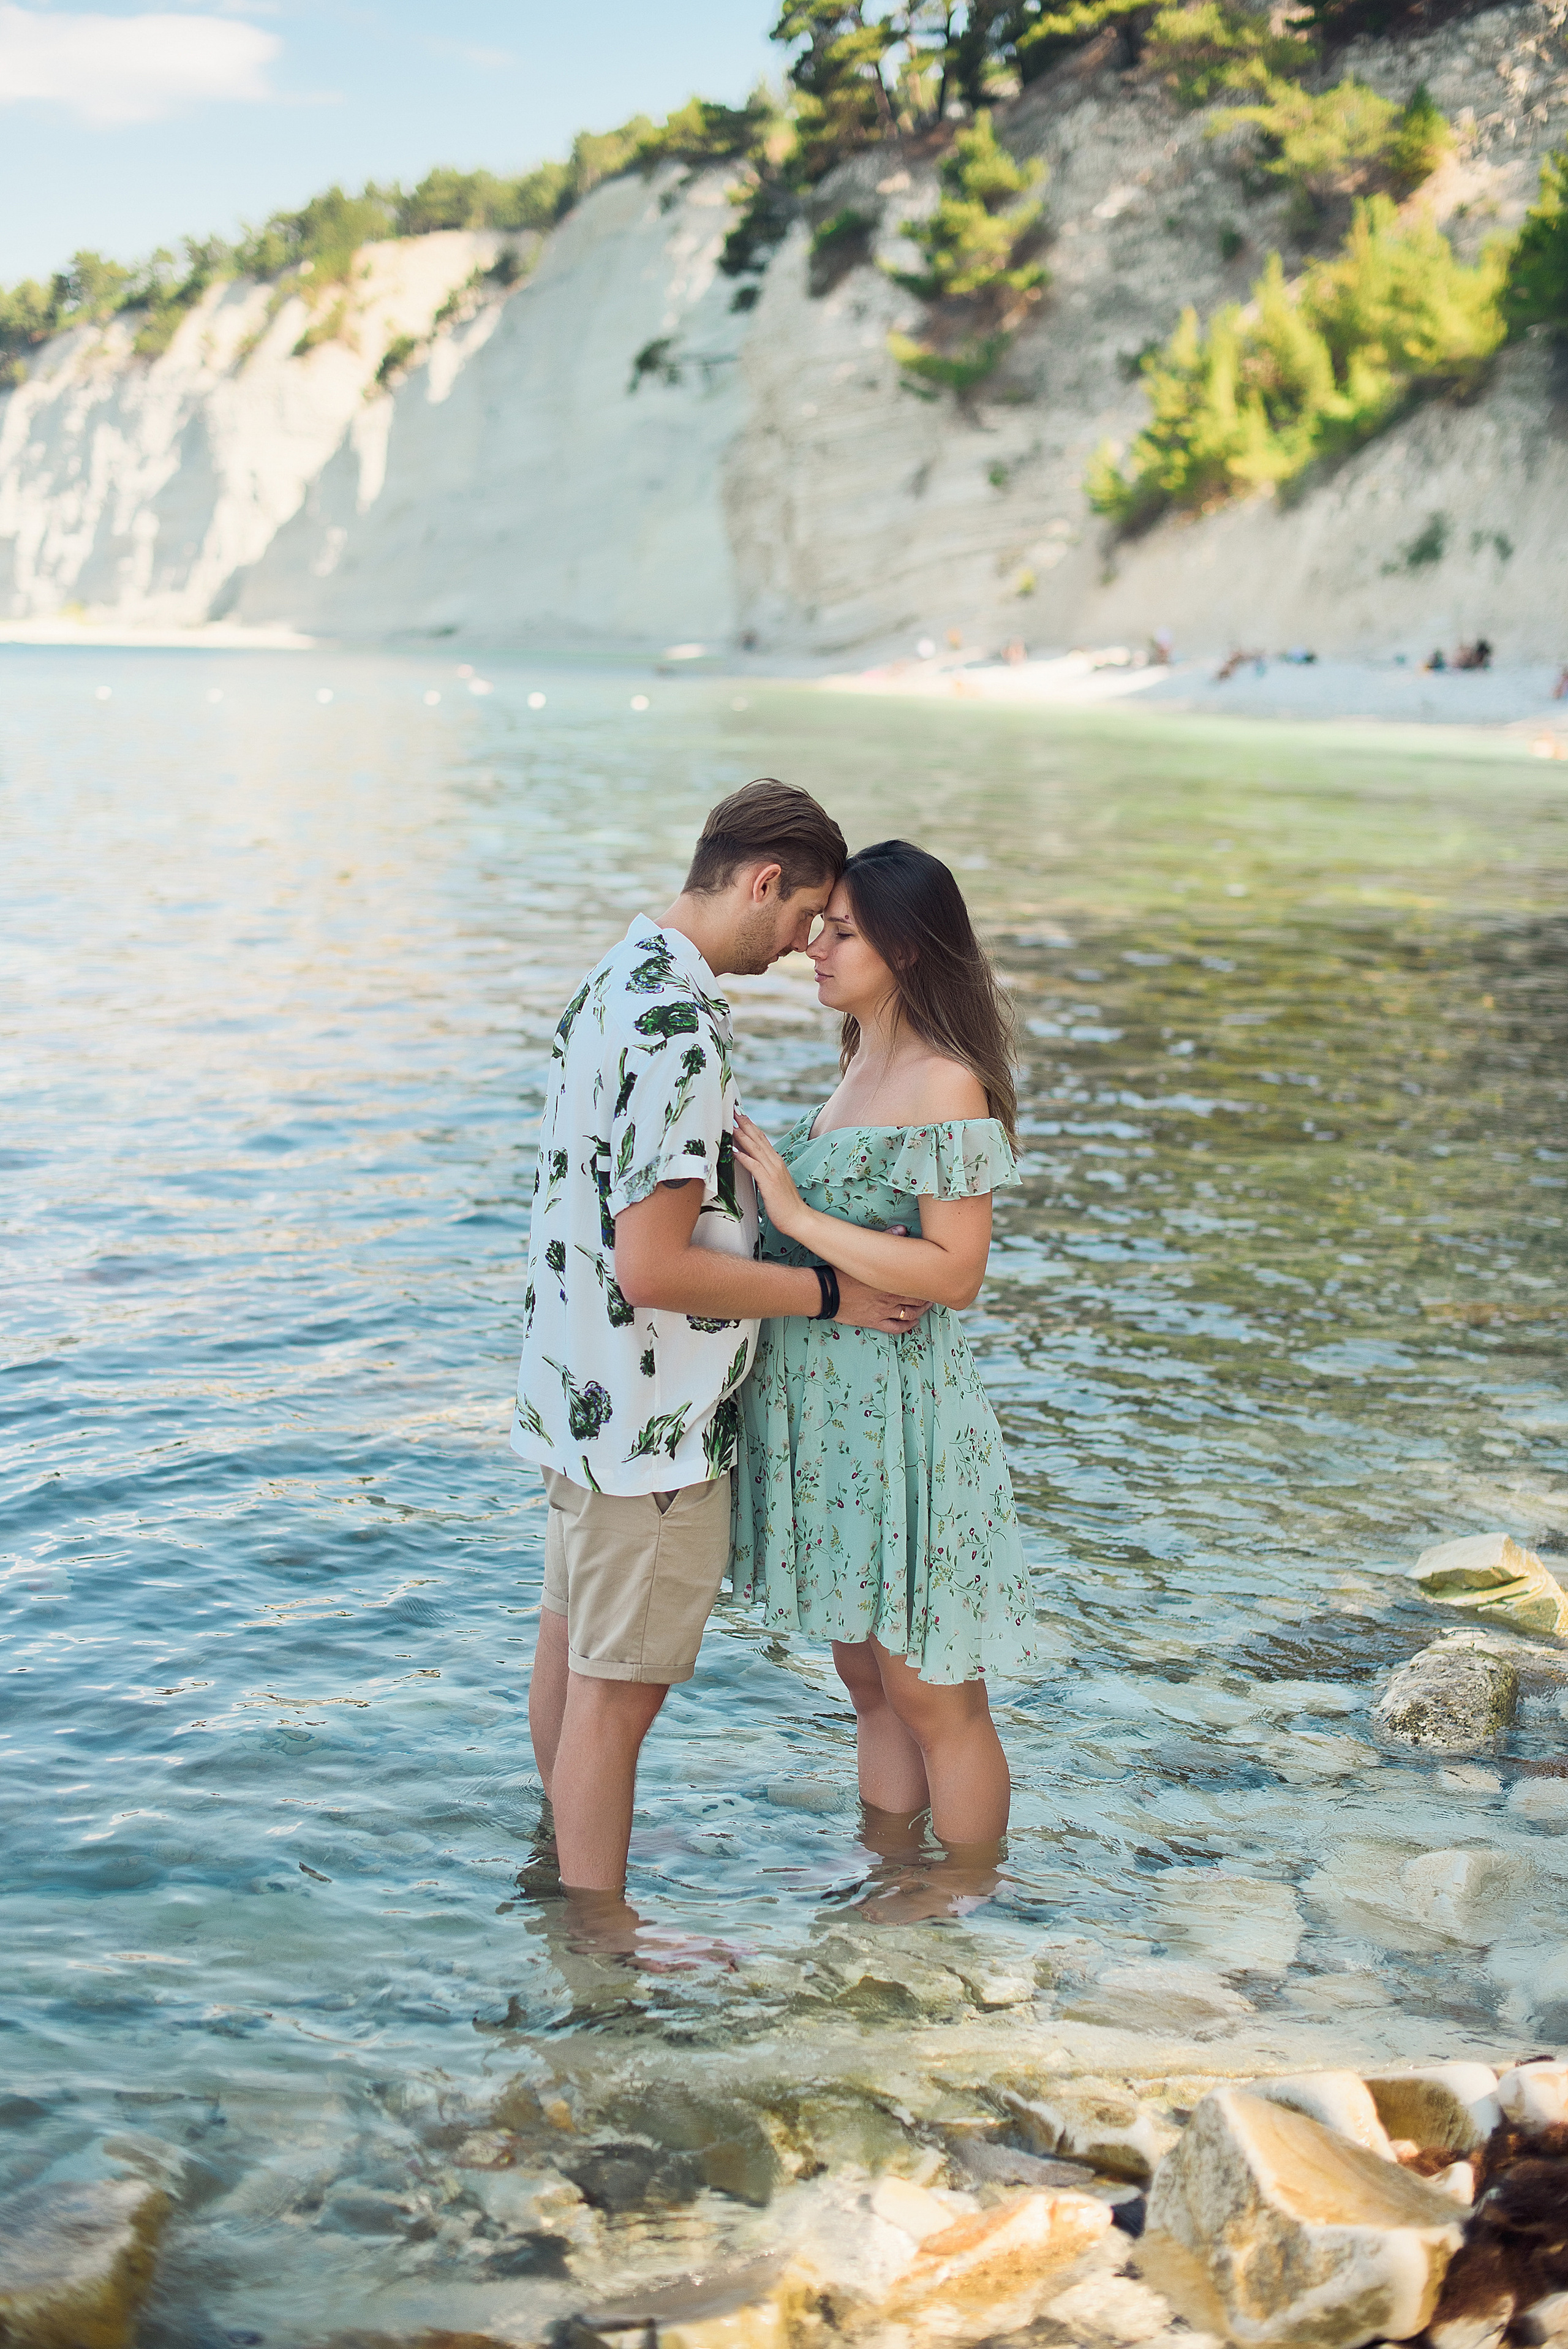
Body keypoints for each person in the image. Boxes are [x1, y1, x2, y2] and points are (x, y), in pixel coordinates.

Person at [512, 781, 928, 1918]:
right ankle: (600, 1958)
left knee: (572, 1652)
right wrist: (829, 1293)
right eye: (804, 919)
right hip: (649, 1420)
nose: (805, 948)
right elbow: (654, 1264)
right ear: (761, 881)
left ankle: (561, 1875)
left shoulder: (615, 978)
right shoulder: (678, 1028)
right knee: (616, 1700)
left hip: (572, 1390)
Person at [731, 839, 1036, 1867]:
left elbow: (954, 1272)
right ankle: (890, 1876)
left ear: (905, 949)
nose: (814, 946)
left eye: (844, 931)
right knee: (866, 1681)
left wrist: (794, 1214)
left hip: (910, 1421)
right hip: (840, 1426)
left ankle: (969, 1898)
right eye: (821, 926)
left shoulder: (945, 1083)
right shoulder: (859, 1060)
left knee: (932, 1691)